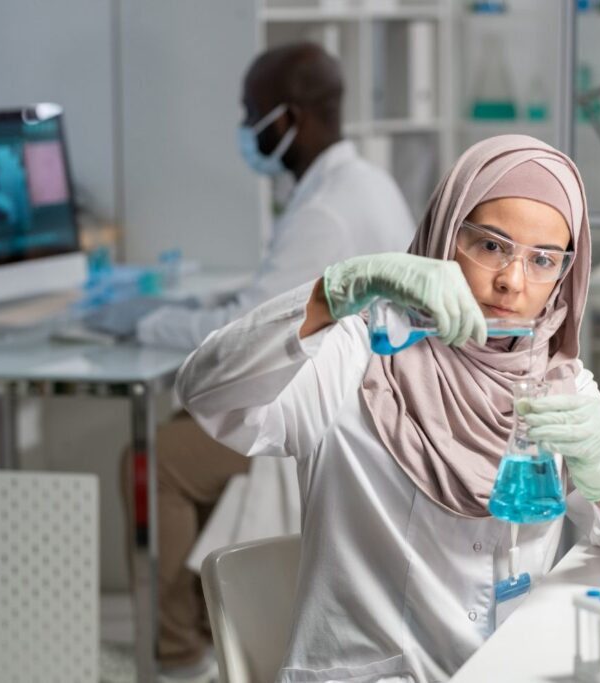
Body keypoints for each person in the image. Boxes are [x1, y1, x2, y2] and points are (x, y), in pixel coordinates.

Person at [176, 135, 600, 682]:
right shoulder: (359, 352)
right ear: (447, 233)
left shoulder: (558, 380)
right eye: (491, 245)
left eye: (543, 260)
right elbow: (209, 392)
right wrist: (333, 292)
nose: (512, 280)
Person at [121, 43, 417, 682]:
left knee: (159, 458)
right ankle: (198, 626)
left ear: (290, 121)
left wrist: (142, 319)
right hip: (367, 400)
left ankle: (176, 658)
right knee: (180, 425)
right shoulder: (363, 182)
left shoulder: (324, 210)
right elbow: (268, 303)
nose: (246, 130)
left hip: (332, 414)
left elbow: (239, 336)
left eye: (251, 114)